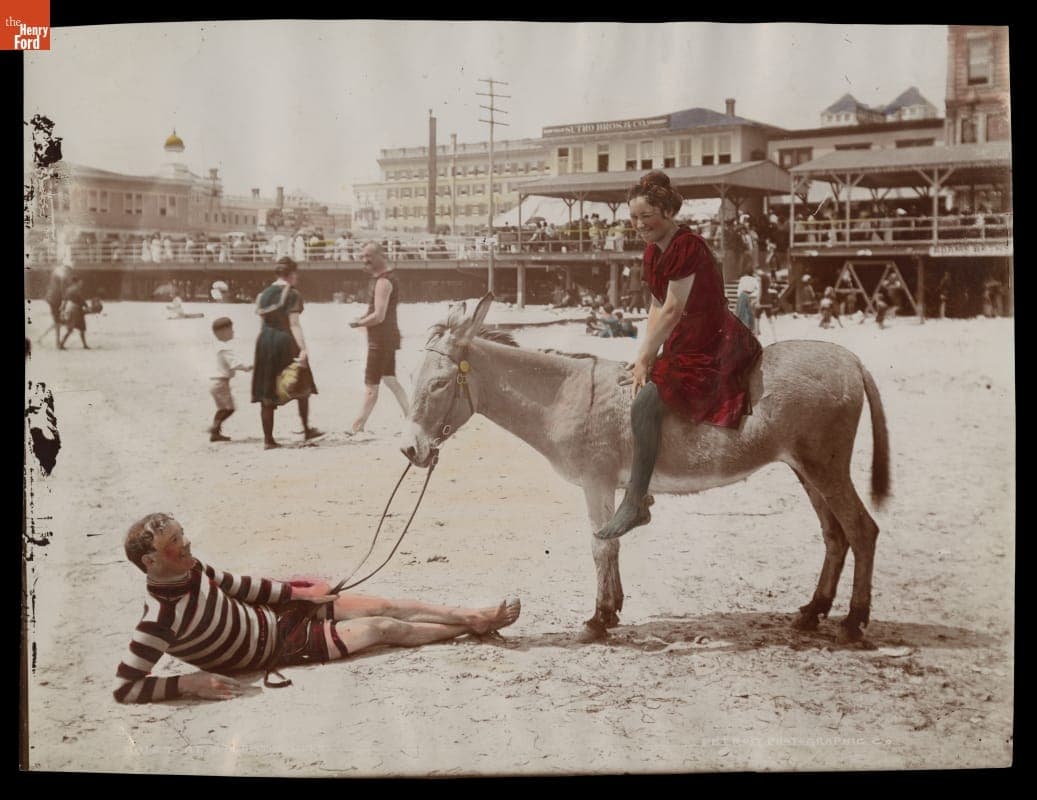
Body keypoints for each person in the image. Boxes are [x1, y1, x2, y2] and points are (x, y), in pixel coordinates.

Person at [114, 513, 521, 703]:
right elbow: (125, 687)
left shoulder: (194, 568)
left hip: (279, 617)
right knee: (382, 626)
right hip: (282, 648)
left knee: (383, 603)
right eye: (175, 545)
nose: (187, 546)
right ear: (150, 562)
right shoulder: (158, 621)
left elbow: (243, 586)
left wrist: (300, 596)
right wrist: (189, 683)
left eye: (183, 536)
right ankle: (471, 626)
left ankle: (469, 615)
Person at [596, 171, 762, 540]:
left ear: (668, 211)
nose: (639, 225)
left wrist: (645, 359)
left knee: (643, 406)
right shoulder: (654, 250)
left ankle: (637, 501)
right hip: (683, 339)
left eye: (646, 217)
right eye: (633, 218)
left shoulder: (687, 246)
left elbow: (673, 309)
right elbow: (656, 305)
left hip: (710, 341)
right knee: (636, 383)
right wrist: (645, 353)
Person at [251, 256, 324, 449]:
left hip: (265, 341)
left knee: (266, 389)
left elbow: (262, 323)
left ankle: (268, 440)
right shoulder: (292, 293)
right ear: (291, 274)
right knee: (302, 381)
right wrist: (303, 349)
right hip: (285, 340)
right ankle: (306, 429)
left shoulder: (263, 294)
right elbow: (294, 324)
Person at [349, 242, 409, 435]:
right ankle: (413, 419)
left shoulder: (383, 281)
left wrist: (358, 323)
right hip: (387, 338)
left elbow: (379, 316)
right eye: (363, 256)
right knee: (391, 380)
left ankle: (357, 427)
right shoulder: (386, 278)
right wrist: (363, 320)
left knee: (371, 386)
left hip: (381, 340)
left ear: (379, 256)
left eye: (368, 256)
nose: (364, 260)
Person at [209, 317, 253, 442]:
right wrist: (247, 367)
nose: (233, 332)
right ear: (221, 332)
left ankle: (215, 432)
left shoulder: (216, 346)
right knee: (229, 408)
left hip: (214, 381)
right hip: (221, 382)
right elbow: (234, 363)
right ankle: (214, 429)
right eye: (230, 330)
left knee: (223, 408)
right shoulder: (224, 348)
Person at [37, 262, 71, 348]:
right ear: (67, 269)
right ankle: (57, 343)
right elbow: (63, 291)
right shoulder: (63, 275)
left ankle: (41, 338)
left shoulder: (58, 272)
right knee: (58, 322)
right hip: (55, 300)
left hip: (52, 299)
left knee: (57, 322)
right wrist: (63, 304)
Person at [58, 276, 90, 350]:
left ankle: (62, 344)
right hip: (76, 310)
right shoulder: (76, 290)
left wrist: (62, 309)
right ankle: (61, 344)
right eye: (80, 282)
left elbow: (65, 300)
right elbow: (81, 300)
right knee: (80, 328)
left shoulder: (69, 289)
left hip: (71, 309)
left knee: (76, 328)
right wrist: (87, 306)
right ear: (77, 282)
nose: (82, 283)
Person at [735, 267, 759, 332]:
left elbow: (739, 289)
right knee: (750, 313)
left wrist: (739, 297)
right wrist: (753, 295)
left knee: (741, 312)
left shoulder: (742, 279)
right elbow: (758, 289)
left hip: (742, 295)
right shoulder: (754, 280)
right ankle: (751, 329)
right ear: (752, 273)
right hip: (749, 296)